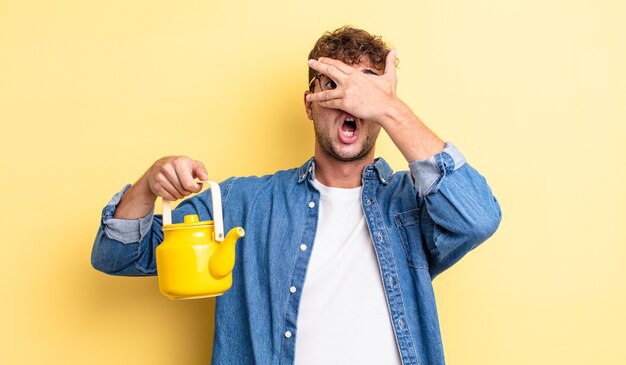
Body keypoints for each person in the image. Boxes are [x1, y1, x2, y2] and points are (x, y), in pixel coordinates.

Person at [91, 26, 502, 365]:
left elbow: (478, 217)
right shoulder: (242, 205)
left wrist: (391, 110)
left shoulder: (413, 206)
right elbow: (118, 253)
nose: (350, 102)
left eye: (364, 90)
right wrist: (148, 184)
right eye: (333, 86)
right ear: (310, 104)